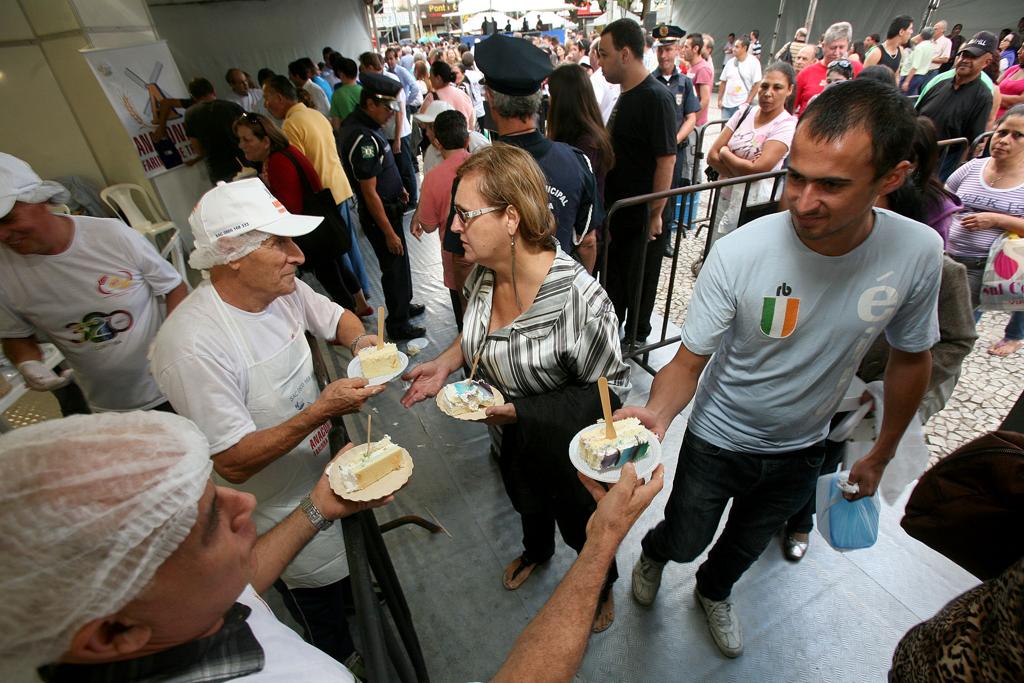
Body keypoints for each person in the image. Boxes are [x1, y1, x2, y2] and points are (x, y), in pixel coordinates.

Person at [623, 79, 942, 658]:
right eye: (796, 175)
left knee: (743, 547)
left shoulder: (917, 253)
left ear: (891, 178)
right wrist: (656, 416)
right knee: (687, 535)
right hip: (716, 441)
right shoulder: (741, 252)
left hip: (803, 448)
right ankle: (655, 553)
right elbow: (689, 361)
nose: (802, 200)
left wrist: (882, 453)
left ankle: (713, 592)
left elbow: (911, 357)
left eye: (833, 185)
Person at [0, 408, 665, 682]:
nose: (244, 503)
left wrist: (317, 507)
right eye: (206, 523)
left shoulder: (168, 620)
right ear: (113, 631)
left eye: (213, 488)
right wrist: (599, 542)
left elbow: (238, 588)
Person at [148, 179, 387, 666]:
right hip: (277, 510)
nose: (297, 256)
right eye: (279, 243)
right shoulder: (194, 347)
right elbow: (234, 462)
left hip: (327, 470)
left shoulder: (282, 289)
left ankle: (356, 600)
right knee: (318, 607)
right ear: (232, 255)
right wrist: (320, 410)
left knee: (354, 573)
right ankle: (342, 659)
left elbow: (339, 319)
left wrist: (363, 345)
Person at [401, 144, 631, 633]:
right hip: (509, 441)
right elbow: (478, 334)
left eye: (464, 215)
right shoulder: (483, 275)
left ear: (510, 218)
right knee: (525, 502)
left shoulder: (580, 302)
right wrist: (446, 362)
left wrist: (517, 411)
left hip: (570, 456)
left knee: (582, 524)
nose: (453, 226)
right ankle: (536, 549)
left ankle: (601, 583)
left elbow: (611, 396)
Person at [783, 115, 976, 561]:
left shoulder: (932, 264)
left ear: (890, 180)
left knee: (827, 458)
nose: (811, 204)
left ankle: (799, 522)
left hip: (859, 401)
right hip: (810, 388)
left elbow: (953, 342)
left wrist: (891, 395)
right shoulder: (818, 245)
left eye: (836, 187)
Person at [0, 154, 186, 414]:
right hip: (105, 402)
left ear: (41, 200)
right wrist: (27, 362)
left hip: (171, 384)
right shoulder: (4, 271)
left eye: (7, 220)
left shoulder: (110, 236)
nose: (2, 235)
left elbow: (173, 287)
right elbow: (15, 335)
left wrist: (171, 339)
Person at [476, 35, 602, 272]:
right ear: (537, 100)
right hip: (559, 293)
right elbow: (587, 242)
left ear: (490, 98)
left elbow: (463, 258)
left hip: (505, 299)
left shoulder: (476, 172)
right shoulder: (577, 161)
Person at [234, 112, 370, 316]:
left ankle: (349, 317)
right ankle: (360, 304)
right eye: (240, 140)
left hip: (310, 229)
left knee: (329, 274)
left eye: (247, 139)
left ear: (265, 141)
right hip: (322, 222)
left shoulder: (278, 161)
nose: (242, 145)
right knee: (338, 265)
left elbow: (292, 207)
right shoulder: (286, 152)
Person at [599, 18, 677, 346]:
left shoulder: (656, 98)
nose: (599, 62)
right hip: (621, 213)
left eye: (604, 54)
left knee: (639, 285)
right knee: (615, 284)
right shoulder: (626, 94)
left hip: (643, 217)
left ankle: (636, 344)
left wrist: (656, 212)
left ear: (626, 54)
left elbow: (667, 160)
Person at [263, 75, 370, 296]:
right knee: (348, 244)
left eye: (267, 97)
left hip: (323, 194)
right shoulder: (316, 115)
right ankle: (364, 290)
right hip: (338, 185)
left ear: (280, 97)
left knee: (337, 250)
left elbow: (297, 168)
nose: (266, 104)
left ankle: (354, 297)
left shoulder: (291, 125)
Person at [337, 73, 425, 340]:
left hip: (391, 208)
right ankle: (398, 324)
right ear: (370, 103)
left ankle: (403, 306)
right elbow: (369, 191)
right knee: (393, 270)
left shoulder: (367, 126)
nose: (390, 114)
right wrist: (388, 232)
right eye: (387, 108)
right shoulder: (362, 137)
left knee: (400, 265)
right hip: (381, 215)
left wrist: (399, 187)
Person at [944, 105, 1024, 357]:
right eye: (1001, 132)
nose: (1004, 141)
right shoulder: (972, 168)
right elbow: (944, 199)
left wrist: (996, 219)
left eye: (1017, 135)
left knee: (953, 331)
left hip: (982, 267)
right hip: (945, 257)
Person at [707, 62, 797, 235]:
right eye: (764, 86)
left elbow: (758, 170)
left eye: (777, 87)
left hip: (753, 204)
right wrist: (744, 172)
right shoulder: (744, 112)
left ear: (789, 90)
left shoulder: (786, 125)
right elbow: (712, 156)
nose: (768, 93)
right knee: (716, 246)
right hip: (725, 196)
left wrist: (725, 153)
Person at [410, 110, 476, 329]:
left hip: (455, 259)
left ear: (437, 143)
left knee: (465, 322)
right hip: (490, 255)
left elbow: (428, 226)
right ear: (467, 139)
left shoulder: (433, 178)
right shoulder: (483, 165)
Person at [916, 32, 997, 180]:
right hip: (915, 153)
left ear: (987, 61)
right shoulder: (940, 83)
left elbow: (972, 142)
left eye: (973, 57)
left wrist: (954, 176)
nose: (965, 60)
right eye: (963, 55)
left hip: (941, 164)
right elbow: (915, 113)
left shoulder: (983, 96)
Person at [652, 25, 701, 253]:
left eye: (669, 49)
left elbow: (691, 117)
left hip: (676, 149)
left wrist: (675, 140)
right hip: (654, 151)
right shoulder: (650, 81)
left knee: (671, 193)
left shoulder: (685, 83)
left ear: (677, 50)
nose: (664, 55)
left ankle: (667, 237)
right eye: (661, 50)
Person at [359, 52, 417, 210]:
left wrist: (397, 138)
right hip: (387, 133)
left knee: (405, 168)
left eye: (364, 68)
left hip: (399, 132)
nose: (388, 112)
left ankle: (412, 202)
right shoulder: (376, 85)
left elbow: (399, 112)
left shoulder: (391, 81)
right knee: (397, 167)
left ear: (370, 67)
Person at [184, 77, 246, 183]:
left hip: (219, 170)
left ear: (193, 96)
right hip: (243, 162)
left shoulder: (190, 115)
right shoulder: (232, 106)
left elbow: (198, 149)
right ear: (213, 90)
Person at [794, 22, 864, 114]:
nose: (837, 52)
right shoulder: (806, 73)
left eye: (841, 47)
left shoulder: (857, 69)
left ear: (848, 45)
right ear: (823, 46)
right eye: (833, 48)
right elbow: (790, 106)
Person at [419, 60, 476, 130]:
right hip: (463, 137)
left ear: (438, 78)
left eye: (431, 76)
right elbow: (471, 119)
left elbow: (422, 123)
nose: (429, 78)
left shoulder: (432, 97)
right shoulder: (462, 94)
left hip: (443, 139)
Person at [717, 35, 762, 119]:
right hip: (726, 105)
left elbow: (757, 84)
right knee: (724, 130)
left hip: (741, 106)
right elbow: (723, 82)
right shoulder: (730, 62)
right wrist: (719, 99)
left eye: (737, 47)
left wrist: (747, 102)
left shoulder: (754, 63)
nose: (733, 49)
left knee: (738, 131)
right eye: (734, 46)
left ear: (744, 48)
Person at [682, 33, 714, 128]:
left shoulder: (703, 69)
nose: (683, 50)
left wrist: (691, 121)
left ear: (695, 49)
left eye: (686, 47)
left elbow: (705, 99)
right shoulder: (693, 67)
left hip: (695, 125)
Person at [588, 41, 620, 124]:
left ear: (594, 53)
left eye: (589, 52)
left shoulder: (596, 78)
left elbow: (594, 110)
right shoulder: (618, 75)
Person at [328, 57, 361, 130]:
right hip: (366, 134)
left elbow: (336, 123)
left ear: (341, 74)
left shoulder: (337, 94)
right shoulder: (364, 90)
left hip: (348, 134)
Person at [902, 28, 936, 96]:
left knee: (902, 96)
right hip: (920, 76)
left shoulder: (920, 47)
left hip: (911, 76)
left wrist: (906, 81)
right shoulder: (931, 47)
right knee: (911, 97)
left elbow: (915, 66)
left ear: (921, 35)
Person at [996, 42, 1024, 118]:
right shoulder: (1014, 68)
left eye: (1023, 48)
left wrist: (993, 95)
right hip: (991, 114)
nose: (1019, 51)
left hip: (1007, 122)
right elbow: (994, 85)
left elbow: (1020, 102)